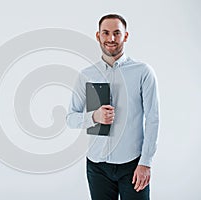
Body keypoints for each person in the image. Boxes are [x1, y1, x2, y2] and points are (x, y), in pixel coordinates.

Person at [66, 14, 159, 200]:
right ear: (98, 36)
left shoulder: (143, 72)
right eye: (106, 33)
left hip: (132, 165)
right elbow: (70, 118)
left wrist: (146, 163)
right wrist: (93, 117)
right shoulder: (86, 75)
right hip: (97, 166)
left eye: (117, 33)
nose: (111, 38)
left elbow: (153, 119)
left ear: (125, 36)